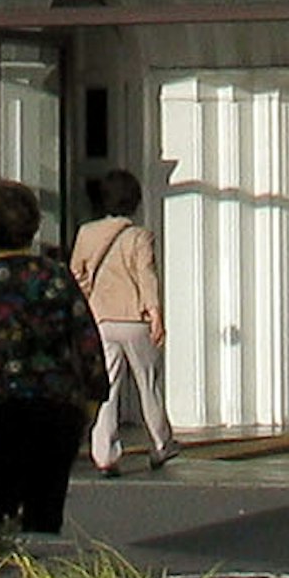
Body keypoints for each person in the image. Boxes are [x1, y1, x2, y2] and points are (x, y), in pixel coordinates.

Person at [0, 178, 107, 533]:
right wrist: (91, 406)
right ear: (33, 227)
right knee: (46, 511)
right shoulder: (57, 278)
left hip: (2, 405)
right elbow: (88, 341)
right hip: (57, 406)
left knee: (1, 513)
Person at [70, 168, 175, 476]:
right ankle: (160, 443)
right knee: (148, 383)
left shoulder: (86, 233)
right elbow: (146, 276)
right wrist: (155, 312)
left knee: (107, 386)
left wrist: (90, 300)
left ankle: (104, 453)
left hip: (101, 319)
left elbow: (77, 272)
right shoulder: (139, 236)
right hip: (134, 320)